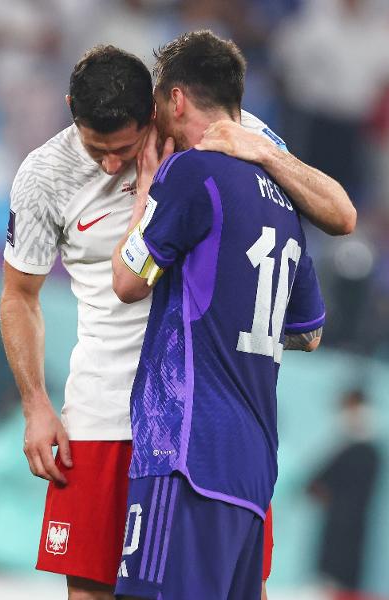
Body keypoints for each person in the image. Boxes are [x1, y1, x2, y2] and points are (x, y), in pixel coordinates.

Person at [0, 43, 354, 600]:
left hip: (186, 427)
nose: (114, 164)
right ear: (71, 109)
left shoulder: (225, 140)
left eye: (125, 147)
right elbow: (19, 295)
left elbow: (340, 212)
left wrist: (263, 151)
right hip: (103, 418)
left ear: (160, 109)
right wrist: (36, 404)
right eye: (99, 150)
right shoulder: (45, 174)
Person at [112, 30, 325, 600]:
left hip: (182, 450)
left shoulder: (191, 173)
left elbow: (128, 282)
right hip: (251, 472)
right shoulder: (284, 202)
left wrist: (147, 192)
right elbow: (309, 332)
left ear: (176, 100)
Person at [307, 389, 381, 600]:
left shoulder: (366, 452)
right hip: (336, 539)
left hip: (348, 542)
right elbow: (313, 484)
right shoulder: (347, 449)